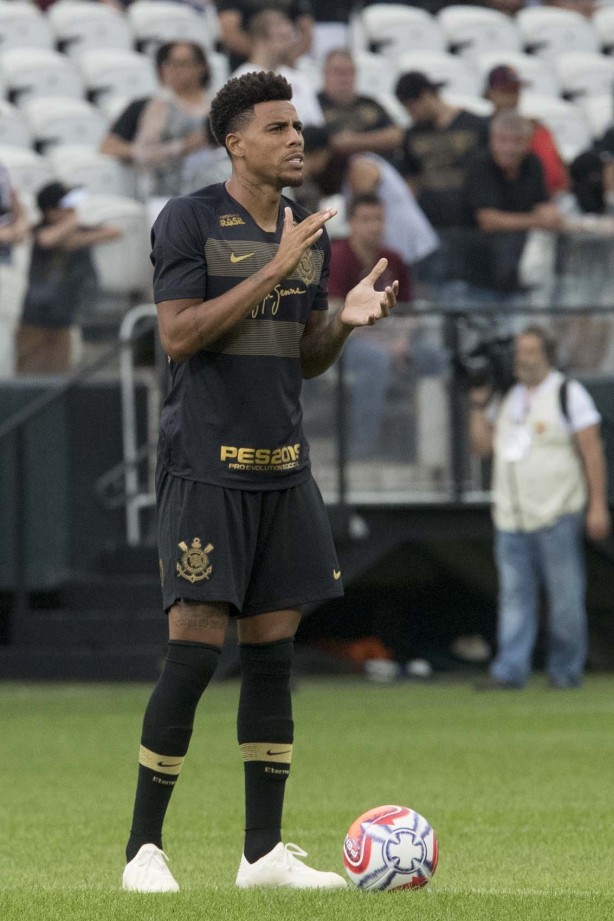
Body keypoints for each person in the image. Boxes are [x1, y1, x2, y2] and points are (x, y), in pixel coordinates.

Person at [121, 69, 398, 893]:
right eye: (277, 127)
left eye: (297, 126)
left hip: (284, 470)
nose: (295, 139)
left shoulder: (301, 230)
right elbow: (178, 335)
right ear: (235, 141)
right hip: (207, 469)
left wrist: (340, 323)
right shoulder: (190, 219)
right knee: (194, 653)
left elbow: (301, 355)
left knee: (274, 655)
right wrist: (274, 269)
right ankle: (143, 850)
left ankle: (262, 854)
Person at [468, 325, 610, 689]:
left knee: (564, 600)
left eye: (530, 351)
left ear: (547, 355)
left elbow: (591, 450)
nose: (522, 359)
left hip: (557, 513)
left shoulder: (568, 392)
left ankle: (565, 671)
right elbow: (483, 447)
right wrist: (478, 404)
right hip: (512, 516)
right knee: (515, 600)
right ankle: (510, 671)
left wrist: (598, 506)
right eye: (519, 352)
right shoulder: (508, 396)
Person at [328, 192, 411, 459]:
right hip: (346, 344)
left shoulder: (394, 259)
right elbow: (336, 312)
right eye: (366, 219)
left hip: (394, 341)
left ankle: (433, 450)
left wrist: (403, 341)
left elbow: (413, 311)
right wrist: (386, 344)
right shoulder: (339, 257)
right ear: (351, 223)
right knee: (375, 361)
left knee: (435, 357)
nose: (374, 226)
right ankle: (364, 449)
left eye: (379, 219)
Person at [394, 70, 489, 299]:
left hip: (471, 229)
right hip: (432, 229)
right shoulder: (412, 135)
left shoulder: (476, 126)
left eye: (412, 107)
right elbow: (410, 180)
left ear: (427, 96)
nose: (411, 115)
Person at [458, 111, 564, 310]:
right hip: (478, 271)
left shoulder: (533, 163)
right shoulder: (480, 165)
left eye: (517, 141)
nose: (510, 148)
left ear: (527, 142)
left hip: (517, 269)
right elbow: (488, 221)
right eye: (503, 140)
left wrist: (550, 216)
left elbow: (544, 206)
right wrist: (536, 220)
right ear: (492, 140)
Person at [15, 182, 122, 374]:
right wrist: (72, 222)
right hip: (34, 319)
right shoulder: (39, 230)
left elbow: (115, 232)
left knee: (59, 377)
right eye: (65, 205)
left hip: (64, 318)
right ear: (50, 211)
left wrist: (79, 238)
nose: (71, 209)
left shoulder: (78, 231)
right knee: (29, 377)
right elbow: (46, 239)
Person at [131, 41, 212, 199]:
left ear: (201, 67)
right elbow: (142, 154)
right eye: (171, 64)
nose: (176, 70)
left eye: (183, 64)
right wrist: (183, 146)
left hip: (213, 191)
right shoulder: (161, 105)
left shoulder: (216, 104)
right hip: (171, 195)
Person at [484, 64, 569, 199]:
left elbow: (558, 171)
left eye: (516, 90)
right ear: (489, 93)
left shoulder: (536, 128)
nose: (513, 97)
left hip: (548, 200)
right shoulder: (481, 129)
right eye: (506, 91)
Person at [229, 7, 324, 127]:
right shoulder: (242, 80)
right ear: (261, 39)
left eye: (289, 37)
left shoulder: (298, 77)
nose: (289, 44)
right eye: (281, 38)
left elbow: (317, 123)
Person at [216, 0, 314, 72]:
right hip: (245, 63)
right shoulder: (244, 76)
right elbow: (230, 34)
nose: (284, 29)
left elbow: (306, 29)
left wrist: (286, 57)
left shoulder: (296, 78)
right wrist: (263, 54)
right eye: (278, 26)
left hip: (285, 67)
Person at [0, 160, 29, 377]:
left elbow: (18, 209)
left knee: (5, 343)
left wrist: (20, 227)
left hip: (5, 266)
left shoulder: (3, 169)